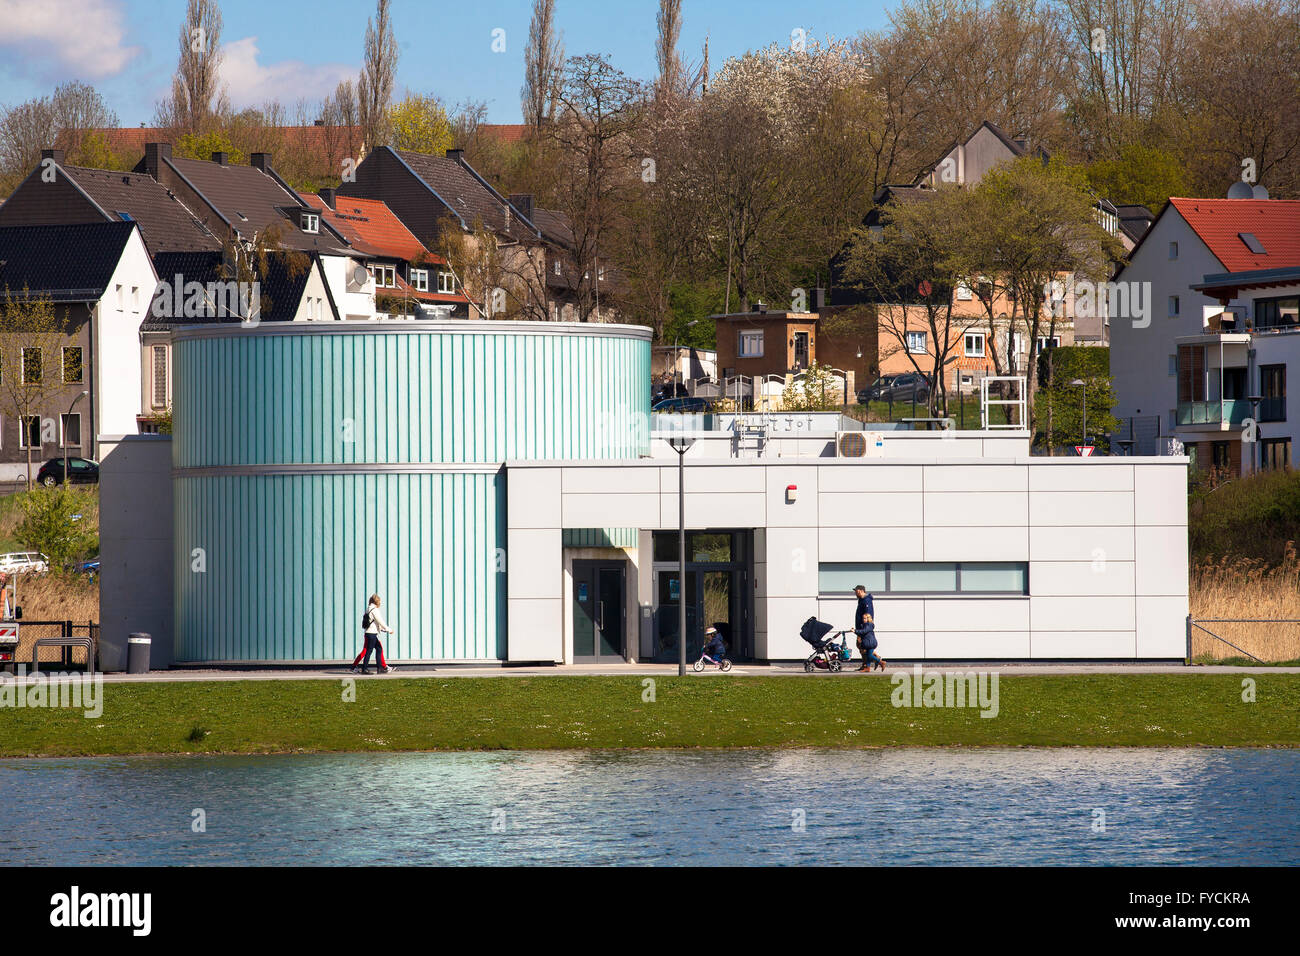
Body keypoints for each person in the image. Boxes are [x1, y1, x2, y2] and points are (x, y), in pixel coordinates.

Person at [351, 594, 396, 674]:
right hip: (372, 633)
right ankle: (365, 669)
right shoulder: (374, 610)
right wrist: (388, 629)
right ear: (377, 601)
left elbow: (374, 622)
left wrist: (382, 629)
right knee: (369, 651)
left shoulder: (368, 609)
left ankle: (380, 668)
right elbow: (380, 621)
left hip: (369, 633)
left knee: (378, 648)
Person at [853, 585, 885, 672]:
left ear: (860, 591)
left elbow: (868, 615)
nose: (855, 593)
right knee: (861, 646)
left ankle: (875, 661)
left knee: (862, 646)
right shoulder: (861, 600)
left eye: (856, 591)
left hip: (863, 629)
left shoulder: (866, 601)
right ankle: (868, 663)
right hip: (861, 627)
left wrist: (865, 627)